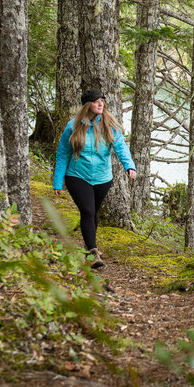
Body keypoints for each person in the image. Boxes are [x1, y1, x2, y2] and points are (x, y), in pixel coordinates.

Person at [53, 89, 137, 268]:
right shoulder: (72, 127)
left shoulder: (109, 125)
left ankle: (91, 244)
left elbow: (121, 147)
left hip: (102, 178)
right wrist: (58, 181)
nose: (101, 104)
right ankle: (93, 254)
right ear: (87, 105)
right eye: (96, 101)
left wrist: (129, 165)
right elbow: (62, 154)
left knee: (93, 214)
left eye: (102, 101)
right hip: (77, 175)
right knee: (88, 211)